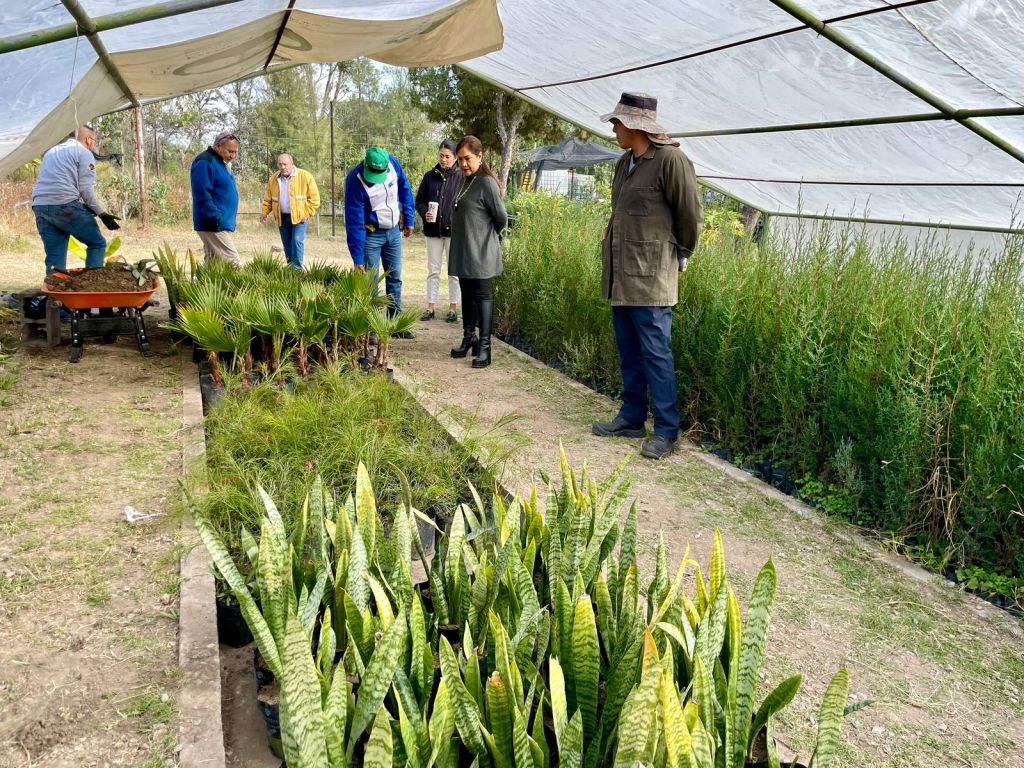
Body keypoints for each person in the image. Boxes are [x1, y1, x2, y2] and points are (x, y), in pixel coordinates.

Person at [591, 92, 703, 460]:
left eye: (617, 122)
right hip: (622, 275)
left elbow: (689, 215)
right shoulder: (625, 163)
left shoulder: (671, 160)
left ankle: (668, 431)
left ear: (637, 125)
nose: (614, 128)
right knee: (629, 352)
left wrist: (682, 253)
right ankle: (632, 418)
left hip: (652, 276)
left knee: (657, 354)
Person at [448, 136, 508, 369]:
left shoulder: (486, 183)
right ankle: (468, 337)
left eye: (468, 159)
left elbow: (500, 217)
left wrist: (486, 235)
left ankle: (485, 348)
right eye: (460, 159)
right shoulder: (464, 180)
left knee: (482, 296)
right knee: (467, 294)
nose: (463, 164)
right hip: (464, 250)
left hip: (482, 251)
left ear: (480, 156)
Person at [31, 125, 120, 275]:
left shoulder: (51, 151)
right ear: (88, 139)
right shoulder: (84, 153)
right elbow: (85, 189)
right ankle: (92, 287)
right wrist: (102, 214)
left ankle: (55, 296)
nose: (94, 144)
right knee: (97, 243)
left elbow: (59, 182)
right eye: (94, 141)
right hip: (64, 206)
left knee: (55, 258)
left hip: (40, 206)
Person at [344, 146, 416, 322]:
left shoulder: (393, 163)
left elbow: (405, 189)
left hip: (393, 232)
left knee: (395, 278)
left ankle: (394, 322)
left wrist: (409, 218)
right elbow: (354, 222)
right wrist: (358, 258)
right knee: (371, 283)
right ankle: (373, 327)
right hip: (371, 235)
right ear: (365, 164)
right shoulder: (355, 180)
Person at [415, 139, 463, 322]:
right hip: (432, 231)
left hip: (454, 232)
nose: (443, 159)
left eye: (447, 156)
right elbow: (419, 200)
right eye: (441, 156)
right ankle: (430, 306)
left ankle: (453, 308)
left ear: (455, 157)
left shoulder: (461, 177)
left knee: (454, 272)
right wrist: (425, 211)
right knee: (433, 270)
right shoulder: (429, 177)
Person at [259, 153, 321, 270]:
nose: (283, 167)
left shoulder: (305, 176)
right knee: (287, 243)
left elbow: (315, 199)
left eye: (285, 164)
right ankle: (290, 269)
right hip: (282, 217)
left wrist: (307, 213)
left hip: (300, 217)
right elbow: (269, 199)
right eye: (280, 164)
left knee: (297, 240)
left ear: (292, 164)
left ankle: (297, 269)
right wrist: (265, 212)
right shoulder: (273, 179)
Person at [191, 131, 241, 266]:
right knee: (233, 262)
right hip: (213, 224)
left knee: (214, 264)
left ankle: (202, 287)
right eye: (230, 151)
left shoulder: (220, 163)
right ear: (218, 146)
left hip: (218, 223)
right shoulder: (205, 161)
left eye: (235, 152)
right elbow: (201, 193)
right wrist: (215, 217)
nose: (233, 156)